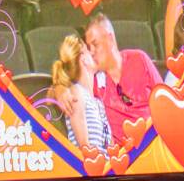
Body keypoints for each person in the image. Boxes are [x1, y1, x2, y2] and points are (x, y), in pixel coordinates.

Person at [54, 14, 163, 143]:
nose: (92, 52)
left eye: (95, 44)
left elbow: (164, 101)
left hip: (155, 145)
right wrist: (60, 91)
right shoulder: (92, 80)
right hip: (123, 157)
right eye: (89, 47)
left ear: (110, 40)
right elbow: (58, 88)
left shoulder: (139, 59)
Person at [52, 33, 112, 155]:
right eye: (89, 50)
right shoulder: (76, 93)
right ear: (83, 58)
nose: (94, 53)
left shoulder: (98, 103)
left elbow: (110, 147)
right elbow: (85, 149)